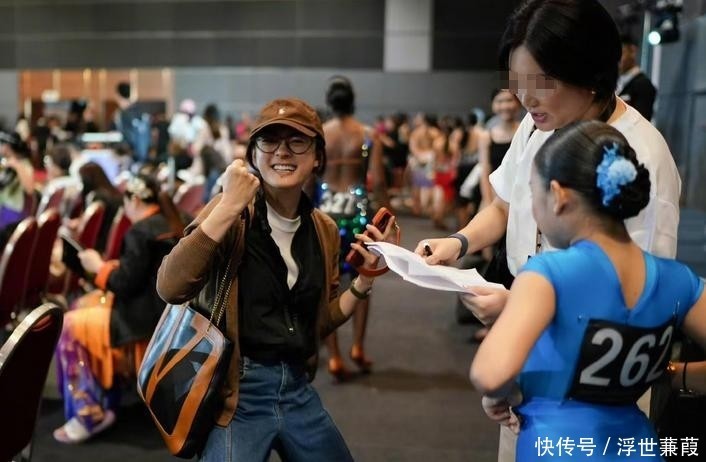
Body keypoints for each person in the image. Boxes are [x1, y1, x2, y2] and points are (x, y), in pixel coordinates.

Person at [415, 1, 681, 460]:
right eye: (517, 84)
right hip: (531, 358)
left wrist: (520, 311)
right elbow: (503, 202)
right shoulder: (538, 124)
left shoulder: (641, 158)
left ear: (590, 73)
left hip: (599, 385)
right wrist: (458, 242)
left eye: (542, 84)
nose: (526, 99)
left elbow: (636, 301)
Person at [156, 97, 398, 461]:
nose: (282, 151)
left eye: (297, 141)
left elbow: (318, 323)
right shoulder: (231, 215)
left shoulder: (323, 230)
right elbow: (170, 286)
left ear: (317, 157)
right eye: (269, 141)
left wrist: (363, 282)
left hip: (297, 389)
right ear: (253, 154)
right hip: (238, 395)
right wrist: (227, 205)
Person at [469, 120, 706, 462]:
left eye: (534, 195)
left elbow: (489, 373)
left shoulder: (548, 274)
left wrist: (502, 394)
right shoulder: (679, 280)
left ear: (559, 196)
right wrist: (672, 374)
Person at [53, 174, 184, 443]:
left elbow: (125, 285)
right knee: (82, 304)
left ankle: (89, 412)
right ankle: (108, 398)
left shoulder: (140, 231)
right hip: (166, 314)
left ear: (134, 200)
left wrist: (98, 267)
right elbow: (143, 272)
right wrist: (110, 267)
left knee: (69, 325)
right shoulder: (172, 220)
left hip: (143, 320)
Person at [317, 76, 388, 380]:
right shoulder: (368, 135)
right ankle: (357, 346)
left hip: (325, 214)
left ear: (329, 102)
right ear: (353, 101)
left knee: (327, 287)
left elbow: (309, 176)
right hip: (357, 213)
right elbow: (379, 181)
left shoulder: (320, 134)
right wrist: (387, 216)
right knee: (363, 279)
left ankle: (333, 356)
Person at [617, 35, 657, 121]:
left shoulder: (643, 84)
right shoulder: (615, 82)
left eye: (621, 53)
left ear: (632, 52)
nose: (617, 59)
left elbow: (642, 119)